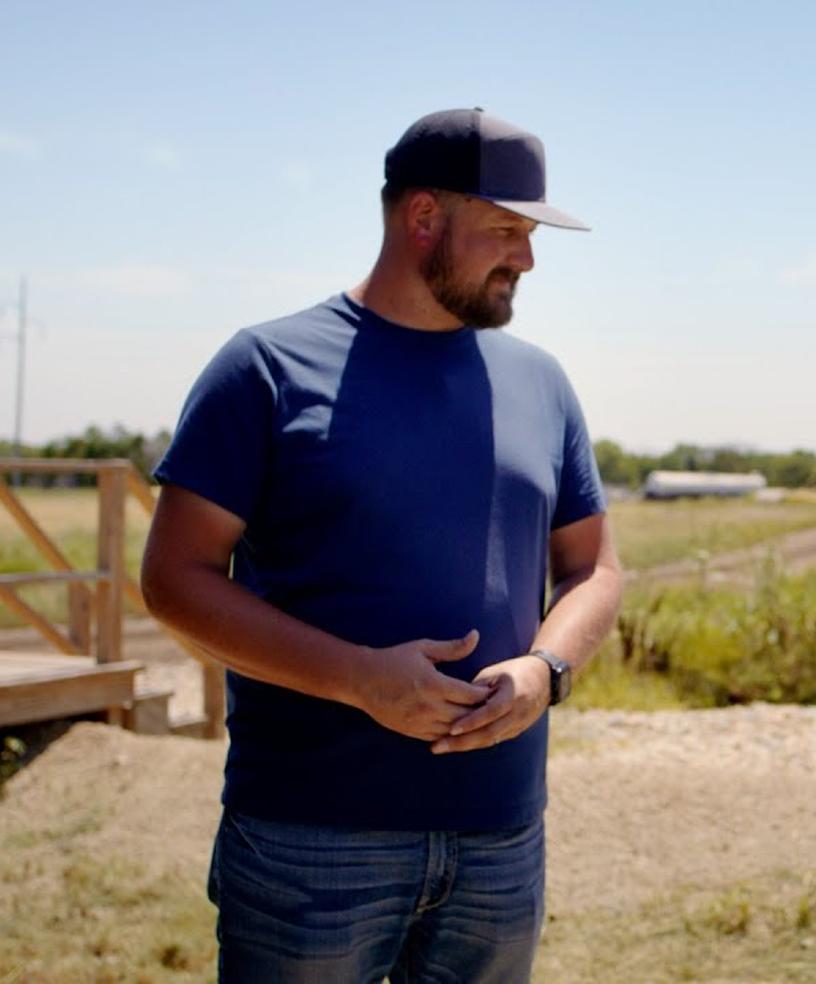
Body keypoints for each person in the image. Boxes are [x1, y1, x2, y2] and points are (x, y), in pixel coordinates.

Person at [140, 108, 621, 982]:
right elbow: (174, 578)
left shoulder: (543, 383)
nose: (528, 257)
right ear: (423, 217)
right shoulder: (264, 369)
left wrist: (546, 671)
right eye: (507, 229)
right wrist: (357, 678)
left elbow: (595, 569)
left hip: (500, 839)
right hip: (310, 844)